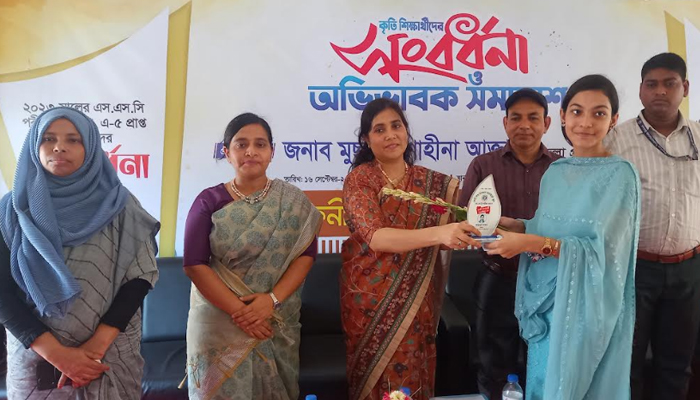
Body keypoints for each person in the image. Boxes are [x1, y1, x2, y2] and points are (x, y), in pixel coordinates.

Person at [485, 75, 640, 399]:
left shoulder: (620, 174)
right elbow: (547, 229)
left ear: (613, 119)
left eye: (598, 113)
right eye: (577, 111)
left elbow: (606, 253)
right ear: (563, 116)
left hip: (586, 309)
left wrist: (527, 242)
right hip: (547, 305)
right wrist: (518, 227)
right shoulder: (555, 172)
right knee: (544, 382)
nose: (586, 122)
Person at [0, 107, 160, 399]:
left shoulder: (120, 205)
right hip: (37, 361)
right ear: (34, 146)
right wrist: (59, 355)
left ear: (90, 146)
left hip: (109, 356)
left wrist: (93, 349)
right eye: (48, 138)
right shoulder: (12, 211)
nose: (59, 147)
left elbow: (139, 279)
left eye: (73, 139)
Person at [340, 98, 481, 400]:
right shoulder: (360, 179)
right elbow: (377, 237)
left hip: (417, 298)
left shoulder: (432, 184)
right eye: (380, 129)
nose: (391, 135)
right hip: (370, 301)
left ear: (406, 130)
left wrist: (502, 224)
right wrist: (439, 233)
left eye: (396, 126)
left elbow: (464, 218)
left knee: (413, 372)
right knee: (374, 378)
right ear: (366, 139)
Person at [183, 113, 322, 400]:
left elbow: (306, 255)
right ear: (226, 152)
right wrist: (243, 313)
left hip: (274, 318)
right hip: (218, 322)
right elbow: (194, 264)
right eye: (241, 144)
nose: (250, 151)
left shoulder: (293, 202)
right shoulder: (208, 201)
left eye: (260, 144)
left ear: (272, 151)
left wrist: (271, 301)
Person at [604, 52, 700, 400]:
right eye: (652, 84)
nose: (660, 91)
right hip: (634, 269)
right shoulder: (616, 140)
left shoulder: (698, 136)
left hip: (689, 269)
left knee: (677, 364)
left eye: (669, 83)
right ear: (641, 90)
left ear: (684, 87)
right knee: (626, 364)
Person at [458, 88, 561, 399]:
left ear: (547, 123)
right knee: (493, 364)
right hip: (498, 277)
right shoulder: (483, 166)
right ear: (505, 123)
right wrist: (482, 231)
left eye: (533, 118)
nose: (524, 125)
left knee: (544, 362)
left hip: (549, 284)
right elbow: (466, 222)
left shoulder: (562, 170)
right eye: (516, 118)